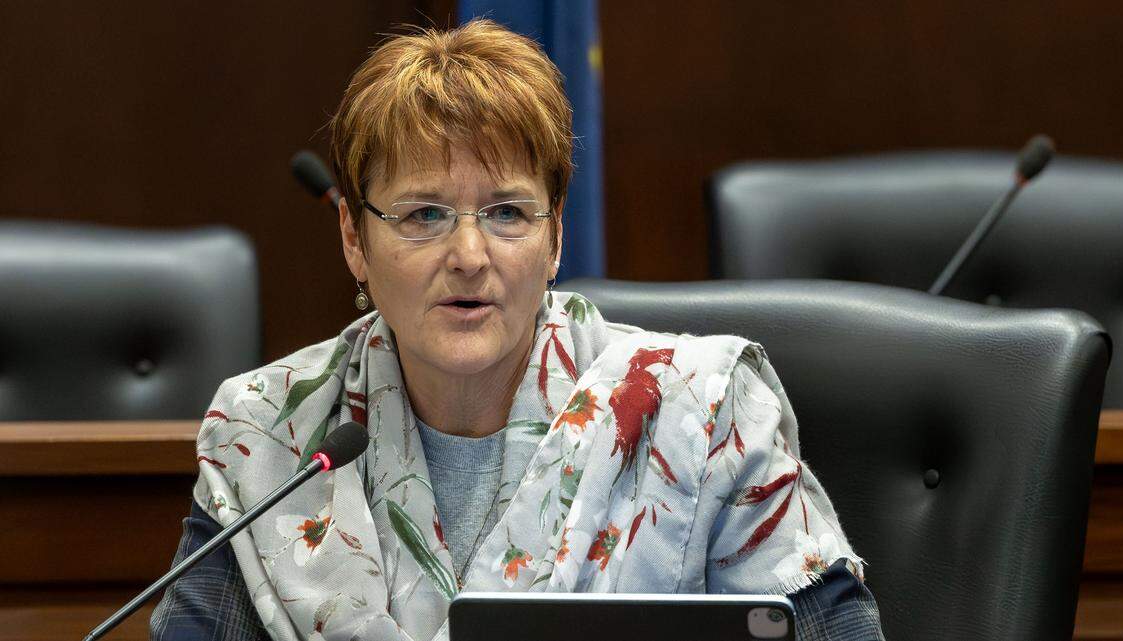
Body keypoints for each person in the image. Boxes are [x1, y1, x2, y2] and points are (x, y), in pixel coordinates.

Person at [150, 19, 884, 641]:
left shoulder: (705, 410)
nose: (469, 257)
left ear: (556, 235)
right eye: (423, 215)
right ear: (353, 236)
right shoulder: (270, 435)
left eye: (506, 212)